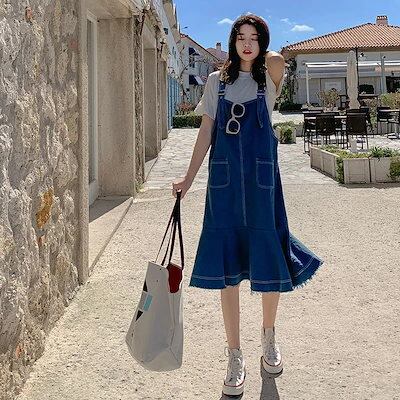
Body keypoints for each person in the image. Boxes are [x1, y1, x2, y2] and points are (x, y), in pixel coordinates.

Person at [172, 14, 324, 397]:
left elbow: (278, 60)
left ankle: (269, 337)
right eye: (240, 36)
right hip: (224, 185)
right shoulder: (215, 82)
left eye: (253, 37)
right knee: (228, 267)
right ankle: (234, 354)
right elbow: (206, 131)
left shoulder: (267, 79)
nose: (246, 43)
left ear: (262, 42)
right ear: (232, 40)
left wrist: (259, 48)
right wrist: (188, 179)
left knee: (268, 254)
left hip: (260, 184)